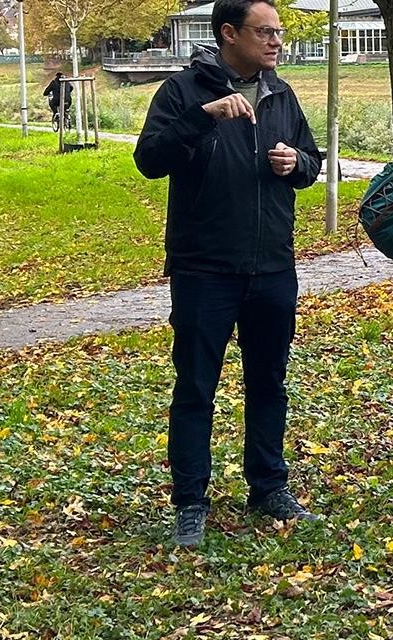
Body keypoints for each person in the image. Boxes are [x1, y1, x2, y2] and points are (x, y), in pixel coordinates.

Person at [132, 0, 328, 548]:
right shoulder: (182, 92)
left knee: (268, 382)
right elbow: (149, 160)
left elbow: (312, 162)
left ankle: (267, 488)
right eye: (265, 32)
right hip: (204, 269)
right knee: (196, 387)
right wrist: (204, 117)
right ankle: (190, 502)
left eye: (279, 33)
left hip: (271, 267)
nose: (276, 42)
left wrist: (299, 165)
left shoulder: (282, 94)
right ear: (228, 33)